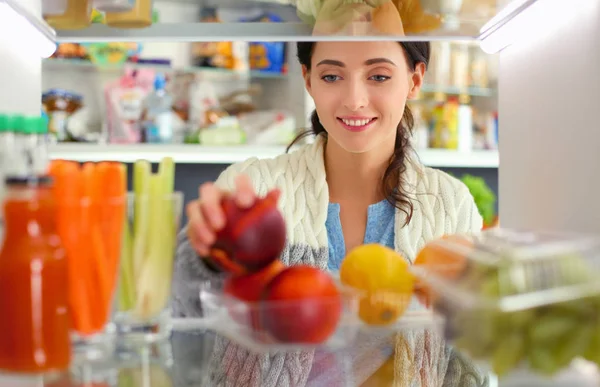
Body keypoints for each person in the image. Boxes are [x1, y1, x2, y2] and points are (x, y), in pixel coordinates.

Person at [172, 41, 489, 387]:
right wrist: (202, 252)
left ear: (414, 80)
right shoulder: (254, 186)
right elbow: (185, 310)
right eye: (332, 76)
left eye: (379, 76)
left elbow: (468, 364)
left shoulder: (451, 204)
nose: (354, 100)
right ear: (308, 80)